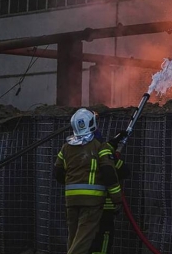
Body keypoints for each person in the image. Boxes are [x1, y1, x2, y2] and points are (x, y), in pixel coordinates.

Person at [53, 108, 123, 254]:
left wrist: (73, 183)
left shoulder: (66, 148)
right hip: (92, 202)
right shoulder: (99, 147)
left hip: (71, 201)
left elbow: (58, 173)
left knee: (74, 238)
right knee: (83, 240)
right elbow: (109, 173)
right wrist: (117, 199)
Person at [89, 130, 130, 254]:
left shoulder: (79, 155)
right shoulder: (106, 157)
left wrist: (113, 143)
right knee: (104, 237)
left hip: (85, 207)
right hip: (104, 206)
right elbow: (124, 171)